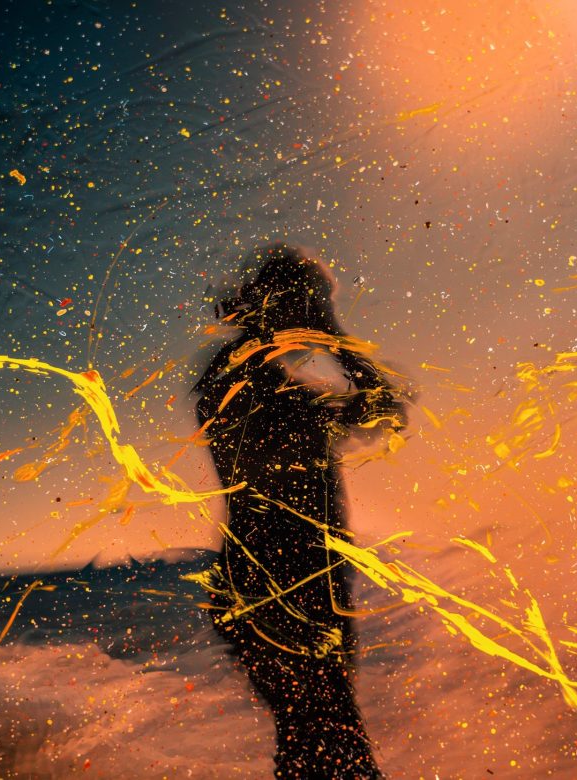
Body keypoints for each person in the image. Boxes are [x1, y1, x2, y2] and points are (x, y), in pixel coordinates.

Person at [193, 243, 405, 779]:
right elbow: (381, 409)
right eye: (314, 303)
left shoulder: (259, 378)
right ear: (288, 304)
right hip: (282, 586)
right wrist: (335, 339)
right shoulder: (247, 381)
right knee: (332, 748)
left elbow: (385, 411)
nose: (320, 315)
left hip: (289, 583)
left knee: (313, 744)